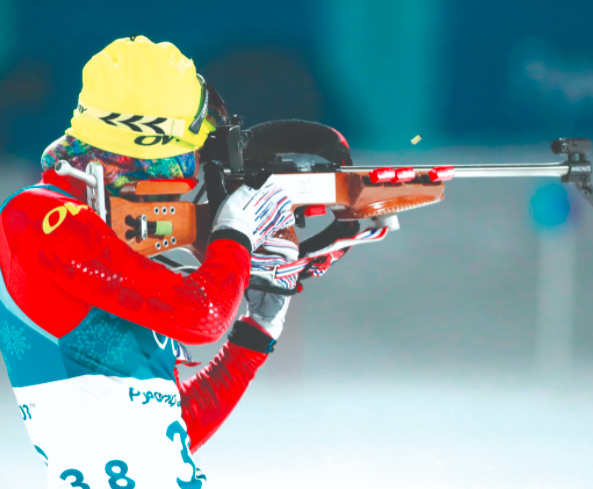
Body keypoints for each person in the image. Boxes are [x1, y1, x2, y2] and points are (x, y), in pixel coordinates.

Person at [0, 36, 342, 488]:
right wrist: (234, 233)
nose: (190, 174)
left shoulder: (89, 239)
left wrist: (257, 333)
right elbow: (201, 316)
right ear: (152, 151)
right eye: (187, 158)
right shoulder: (36, 216)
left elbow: (164, 439)